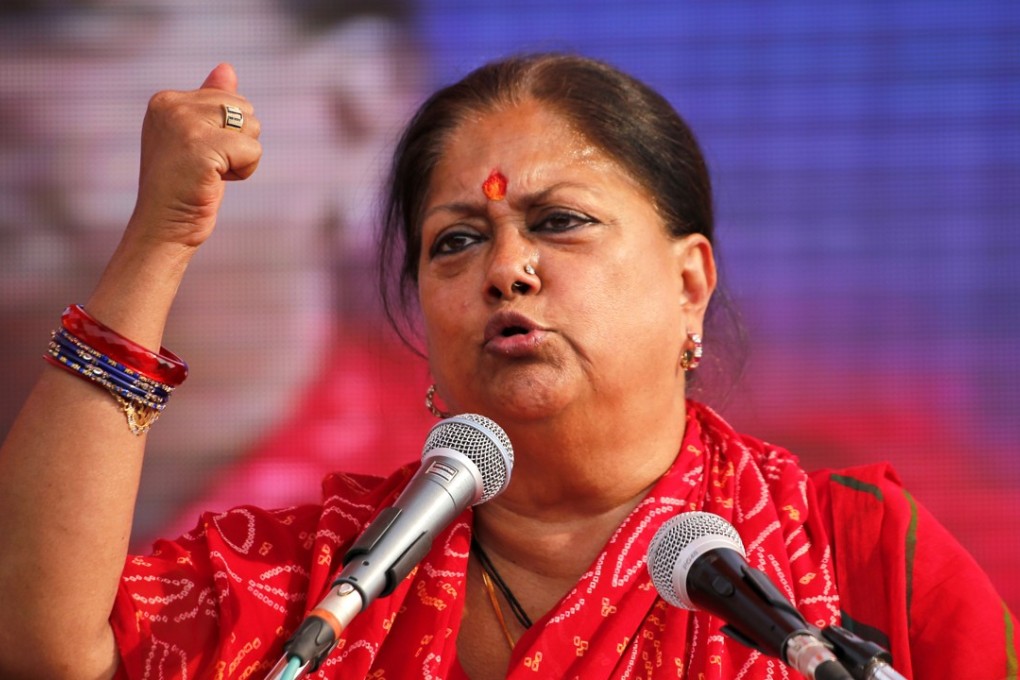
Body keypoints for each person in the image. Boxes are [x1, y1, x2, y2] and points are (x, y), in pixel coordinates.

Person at [0, 54, 1015, 680]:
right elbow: (44, 645)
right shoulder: (310, 579)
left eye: (559, 223)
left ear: (690, 282)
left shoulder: (856, 554)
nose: (506, 269)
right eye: (455, 241)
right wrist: (163, 238)